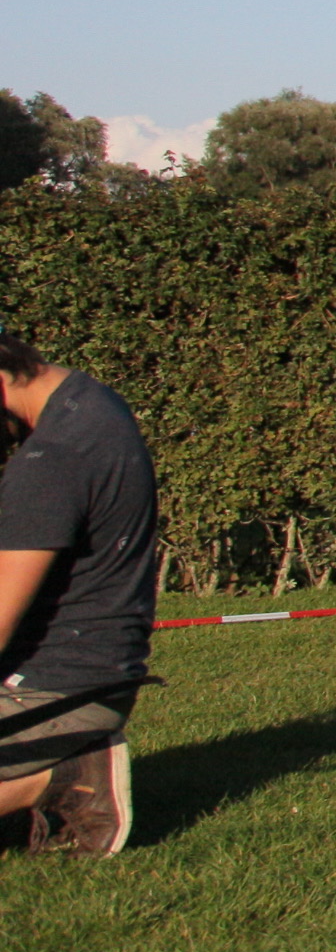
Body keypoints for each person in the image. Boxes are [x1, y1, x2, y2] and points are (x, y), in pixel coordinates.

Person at [0, 329, 159, 859]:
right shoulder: (90, 402)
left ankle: (67, 777)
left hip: (55, 688)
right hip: (97, 670)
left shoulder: (49, 464)